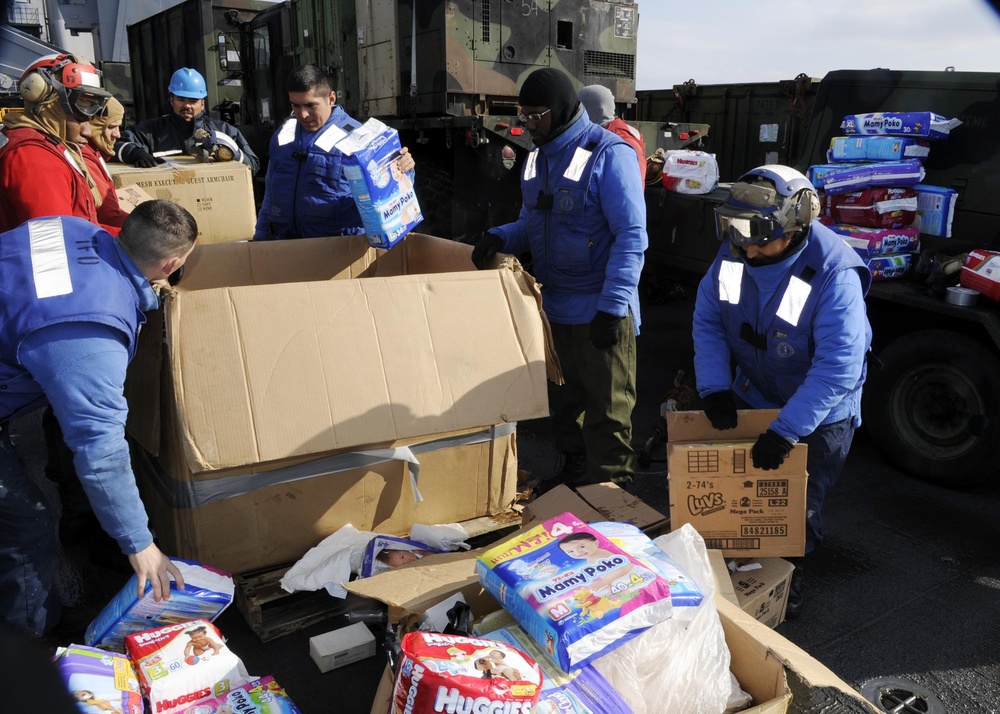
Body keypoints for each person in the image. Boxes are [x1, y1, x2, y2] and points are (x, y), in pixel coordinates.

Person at [0, 200, 196, 638]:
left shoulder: (65, 226)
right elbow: (101, 449)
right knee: (25, 525)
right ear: (171, 263)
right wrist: (140, 544)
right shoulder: (92, 330)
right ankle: (28, 650)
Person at [692, 164, 872, 619]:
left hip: (819, 412)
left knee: (797, 504)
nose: (748, 250)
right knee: (750, 490)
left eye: (759, 238)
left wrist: (788, 429)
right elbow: (711, 319)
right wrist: (714, 387)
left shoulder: (832, 274)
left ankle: (786, 575)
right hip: (756, 392)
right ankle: (745, 558)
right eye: (738, 234)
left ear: (793, 227)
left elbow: (838, 368)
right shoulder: (736, 252)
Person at [472, 68, 647, 490]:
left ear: (563, 110)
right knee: (565, 405)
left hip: (601, 311)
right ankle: (576, 474)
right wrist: (500, 236)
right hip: (555, 310)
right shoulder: (536, 158)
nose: (528, 125)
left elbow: (632, 235)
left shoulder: (609, 153)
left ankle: (612, 496)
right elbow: (531, 221)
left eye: (536, 116)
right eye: (523, 116)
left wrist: (612, 306)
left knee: (608, 411)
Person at [253, 64, 415, 240]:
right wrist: (260, 239)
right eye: (296, 106)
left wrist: (405, 170)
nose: (303, 114)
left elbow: (390, 192)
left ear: (331, 98)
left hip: (339, 251)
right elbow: (270, 194)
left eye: (310, 105)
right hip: (286, 248)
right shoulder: (283, 137)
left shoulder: (359, 139)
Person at [0, 53, 112, 233]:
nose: (88, 131)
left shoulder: (42, 144)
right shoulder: (35, 158)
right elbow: (57, 242)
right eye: (79, 118)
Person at [114, 67, 259, 175]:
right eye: (181, 99)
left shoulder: (225, 131)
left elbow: (253, 166)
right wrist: (134, 153)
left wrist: (231, 152)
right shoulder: (150, 131)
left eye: (193, 101)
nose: (187, 105)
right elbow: (113, 144)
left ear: (202, 103)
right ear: (172, 100)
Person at [578, 84, 647, 185]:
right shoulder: (592, 135)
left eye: (579, 108)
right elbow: (573, 175)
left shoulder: (623, 143)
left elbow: (629, 191)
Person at [83, 96, 130, 230]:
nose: (118, 135)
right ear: (94, 126)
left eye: (119, 127)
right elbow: (109, 215)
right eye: (111, 127)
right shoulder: (86, 159)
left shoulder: (94, 153)